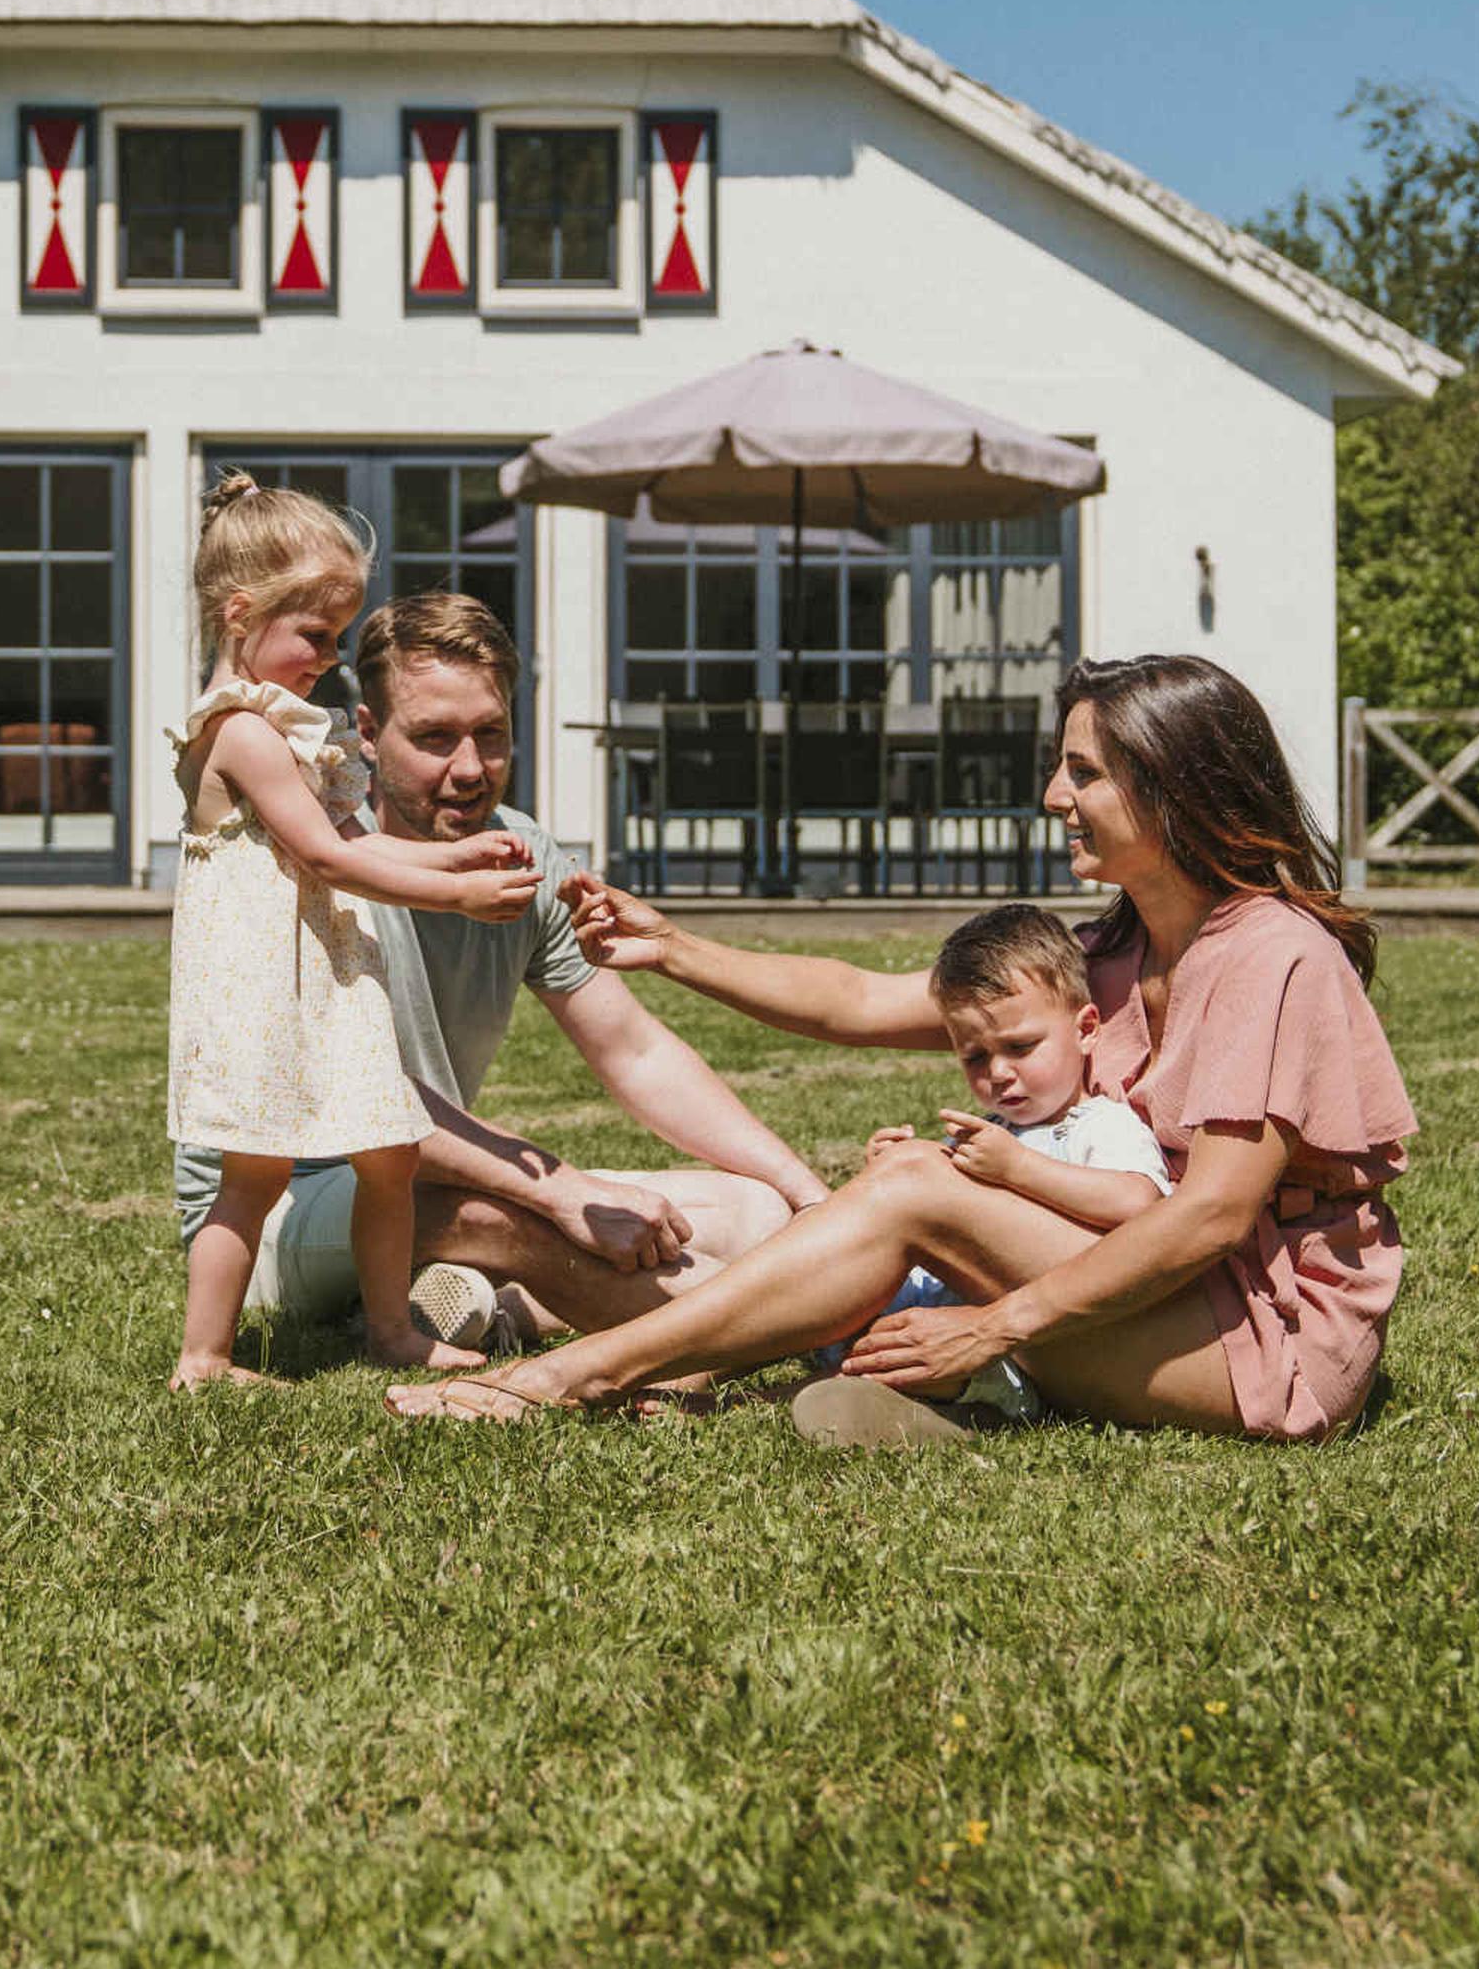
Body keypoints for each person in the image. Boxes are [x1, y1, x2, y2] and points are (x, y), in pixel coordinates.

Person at [384, 652, 1415, 1443]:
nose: (1056, 795)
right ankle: (873, 1388)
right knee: (889, 1192)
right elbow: (859, 1000)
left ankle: (578, 1375)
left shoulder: (1271, 954)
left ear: (1172, 787)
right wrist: (672, 948)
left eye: (1083, 772)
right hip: (1158, 1300)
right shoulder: (1115, 949)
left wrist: (996, 1323)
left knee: (917, 1185)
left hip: (1261, 1349)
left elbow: (1210, 1218)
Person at [169, 590, 823, 1353]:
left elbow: (633, 1051)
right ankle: (760, 1327)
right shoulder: (319, 858)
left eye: (491, 735)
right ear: (370, 736)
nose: (470, 769)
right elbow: (377, 1096)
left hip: (422, 1181)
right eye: (436, 738)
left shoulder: (523, 853)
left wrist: (808, 1196)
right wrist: (566, 1190)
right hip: (280, 1211)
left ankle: (487, 1304)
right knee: (494, 1213)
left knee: (755, 1212)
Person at [165, 479, 537, 1390]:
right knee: (252, 1173)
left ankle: (390, 1330)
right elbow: (329, 861)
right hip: (266, 987)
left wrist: (462, 860)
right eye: (318, 638)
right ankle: (203, 1357)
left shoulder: (288, 728)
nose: (329, 659)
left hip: (323, 976)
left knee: (391, 1154)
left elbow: (358, 846)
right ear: (243, 613)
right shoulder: (243, 732)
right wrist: (455, 899)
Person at [810, 903, 1170, 1419]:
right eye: (975, 1057)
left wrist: (1019, 1168)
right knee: (831, 1260)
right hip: (937, 1315)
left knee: (888, 1361)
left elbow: (1139, 1203)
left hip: (1018, 1347)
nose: (999, 1072)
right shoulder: (997, 1132)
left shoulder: (1101, 1125)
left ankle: (813, 1393)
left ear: (1086, 1029)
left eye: (1021, 1047)